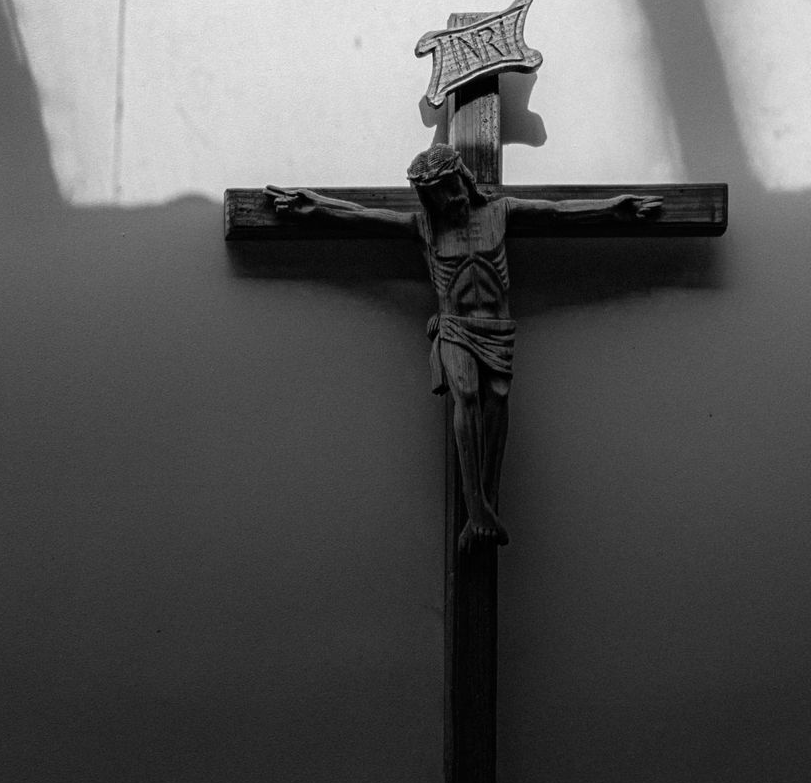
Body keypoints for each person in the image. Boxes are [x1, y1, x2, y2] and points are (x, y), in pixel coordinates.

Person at [266, 144, 661, 549]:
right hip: (455, 326)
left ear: (464, 180)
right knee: (467, 395)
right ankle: (477, 508)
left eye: (451, 187)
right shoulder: (425, 227)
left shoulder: (500, 212)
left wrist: (614, 208)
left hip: (496, 327)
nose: (448, 200)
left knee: (497, 400)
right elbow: (363, 216)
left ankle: (485, 505)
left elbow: (557, 212)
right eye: (436, 195)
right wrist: (316, 206)